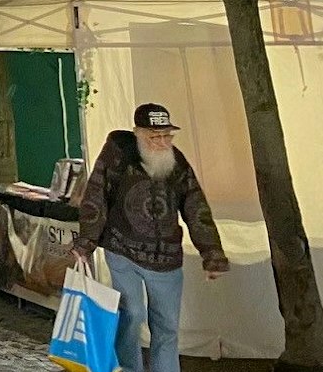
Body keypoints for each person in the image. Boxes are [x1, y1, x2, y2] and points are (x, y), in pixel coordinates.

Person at [75, 103, 228, 372]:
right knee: (131, 314)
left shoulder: (177, 162)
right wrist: (86, 243)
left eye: (167, 135)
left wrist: (212, 254)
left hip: (167, 258)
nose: (161, 142)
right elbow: (96, 195)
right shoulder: (118, 154)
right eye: (153, 137)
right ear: (138, 134)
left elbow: (196, 207)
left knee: (167, 327)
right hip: (122, 249)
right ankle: (129, 369)